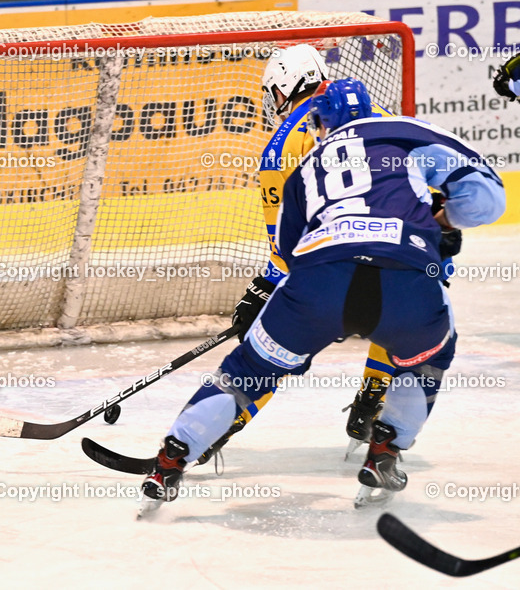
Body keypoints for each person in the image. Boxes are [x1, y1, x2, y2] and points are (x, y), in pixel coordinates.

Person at [142, 78, 505, 508]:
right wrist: (444, 221)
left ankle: (171, 459)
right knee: (429, 356)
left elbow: (290, 254)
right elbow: (488, 201)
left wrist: (309, 309)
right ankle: (385, 449)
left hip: (317, 285)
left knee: (248, 369)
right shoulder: (408, 131)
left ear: (319, 124)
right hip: (405, 279)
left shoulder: (304, 167)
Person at [202, 45, 403, 465]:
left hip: (329, 269)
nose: (272, 103)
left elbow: (286, 248)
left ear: (288, 85)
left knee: (276, 347)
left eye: (273, 92)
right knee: (397, 321)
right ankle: (372, 404)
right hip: (395, 254)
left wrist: (262, 290)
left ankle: (215, 428)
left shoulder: (280, 148)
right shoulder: (382, 115)